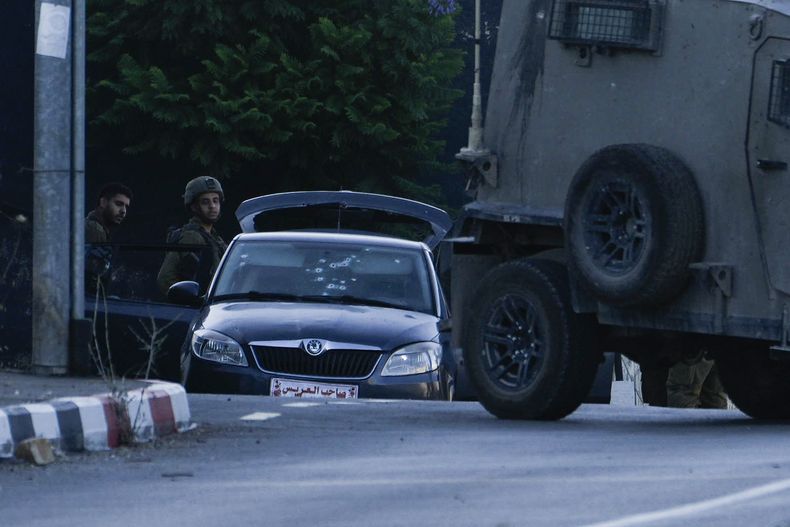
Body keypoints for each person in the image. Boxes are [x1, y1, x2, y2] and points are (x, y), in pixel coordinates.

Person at [157, 176, 228, 296]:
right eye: (205, 202)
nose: (212, 206)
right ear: (194, 206)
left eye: (215, 200)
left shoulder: (215, 238)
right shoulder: (191, 237)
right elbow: (165, 278)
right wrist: (194, 302)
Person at [85, 182, 133, 291]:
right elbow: (92, 277)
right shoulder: (94, 229)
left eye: (126, 206)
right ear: (103, 202)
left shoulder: (96, 228)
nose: (123, 211)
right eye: (119, 204)